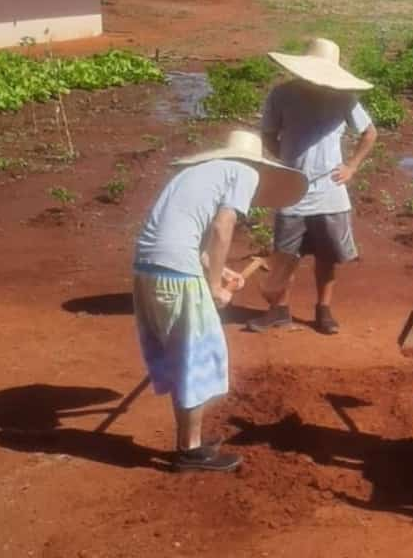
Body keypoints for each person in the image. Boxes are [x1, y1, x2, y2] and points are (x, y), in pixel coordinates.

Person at [132, 131, 307, 472]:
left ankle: (189, 444)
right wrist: (214, 287)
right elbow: (222, 226)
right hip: (177, 274)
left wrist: (221, 271)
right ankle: (190, 452)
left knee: (183, 358)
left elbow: (183, 238)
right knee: (198, 360)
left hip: (148, 270)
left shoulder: (195, 174)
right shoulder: (244, 172)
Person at [250, 38, 379, 336]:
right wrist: (286, 161)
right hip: (290, 190)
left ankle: (324, 311)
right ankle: (279, 312)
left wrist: (352, 167)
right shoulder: (281, 95)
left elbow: (370, 133)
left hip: (330, 191)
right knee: (284, 256)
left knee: (327, 256)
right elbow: (268, 134)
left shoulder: (345, 98)